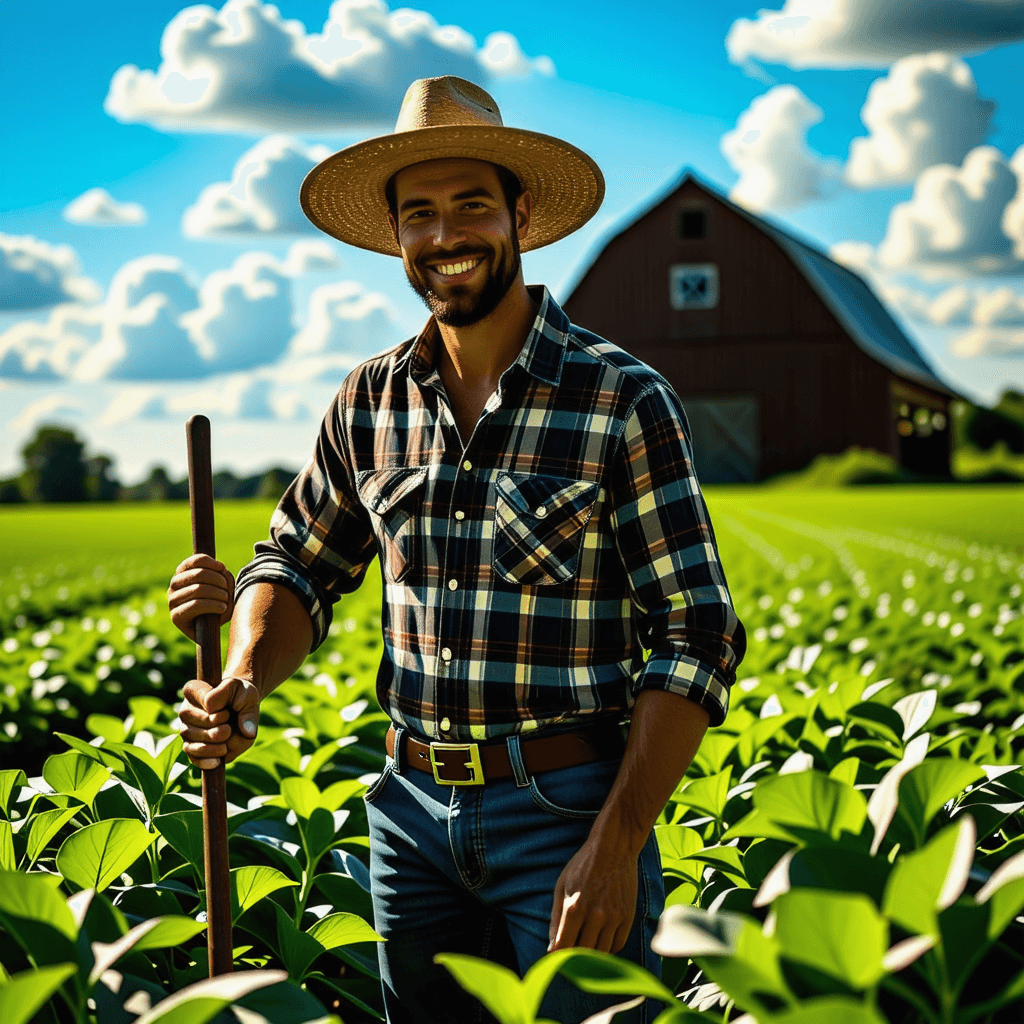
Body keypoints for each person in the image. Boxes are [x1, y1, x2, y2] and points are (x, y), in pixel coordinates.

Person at [168, 76, 745, 1024]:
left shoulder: (619, 399)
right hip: (408, 817)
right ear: (394, 235)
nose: (446, 238)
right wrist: (243, 674)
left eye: (471, 205)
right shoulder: (369, 400)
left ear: (521, 213)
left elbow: (697, 631)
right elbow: (297, 565)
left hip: (566, 811)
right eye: (420, 215)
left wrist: (618, 844)